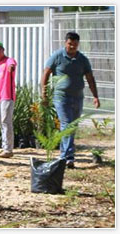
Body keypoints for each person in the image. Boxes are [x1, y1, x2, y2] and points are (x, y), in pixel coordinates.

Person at [41, 32, 100, 169]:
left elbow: (90, 78)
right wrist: (44, 94)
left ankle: (64, 155)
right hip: (61, 97)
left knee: (71, 127)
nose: (72, 46)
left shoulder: (82, 59)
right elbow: (46, 73)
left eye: (75, 44)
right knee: (67, 125)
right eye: (70, 43)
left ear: (78, 44)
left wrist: (95, 96)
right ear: (65, 43)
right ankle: (67, 157)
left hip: (78, 97)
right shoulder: (57, 56)